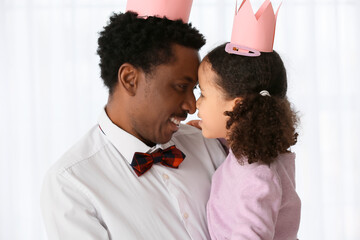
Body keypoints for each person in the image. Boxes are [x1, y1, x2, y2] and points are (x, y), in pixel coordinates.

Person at [40, 4, 226, 240]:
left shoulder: (207, 144)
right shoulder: (72, 185)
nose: (191, 105)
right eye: (181, 87)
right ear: (130, 79)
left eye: (194, 90)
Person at [195, 1, 301, 239]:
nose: (196, 104)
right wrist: (221, 135)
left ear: (237, 106)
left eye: (202, 93)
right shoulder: (253, 154)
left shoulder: (257, 176)